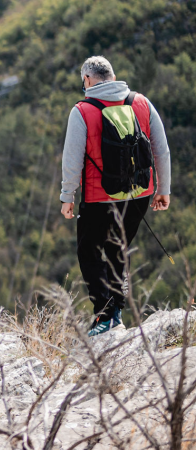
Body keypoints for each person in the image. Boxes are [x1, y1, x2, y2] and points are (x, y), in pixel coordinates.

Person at [60, 56, 171, 336]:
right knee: (118, 248)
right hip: (139, 195)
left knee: (89, 251)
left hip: (99, 197)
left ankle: (105, 314)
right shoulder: (141, 103)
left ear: (87, 79)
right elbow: (161, 149)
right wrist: (163, 189)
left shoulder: (82, 111)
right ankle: (116, 312)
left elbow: (72, 160)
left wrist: (67, 196)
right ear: (113, 75)